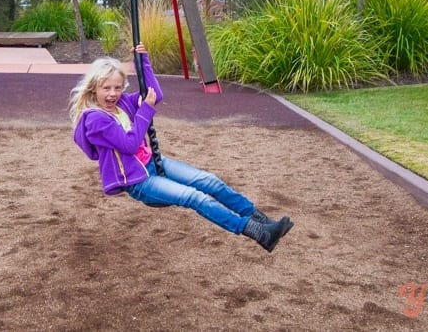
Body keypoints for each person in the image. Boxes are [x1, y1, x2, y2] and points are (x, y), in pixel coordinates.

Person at [69, 43, 294, 252]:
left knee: (209, 181)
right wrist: (145, 110)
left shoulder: (122, 104)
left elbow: (155, 95)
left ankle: (263, 221)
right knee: (195, 197)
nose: (112, 94)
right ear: (93, 89)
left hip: (154, 163)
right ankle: (258, 233)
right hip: (138, 180)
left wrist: (143, 62)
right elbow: (129, 144)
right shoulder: (95, 119)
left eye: (117, 87)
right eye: (106, 88)